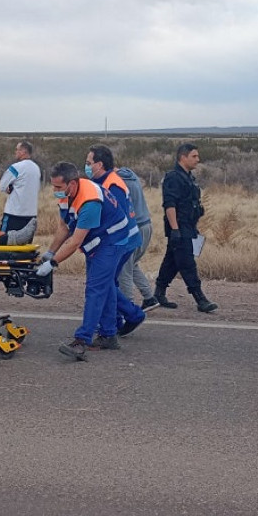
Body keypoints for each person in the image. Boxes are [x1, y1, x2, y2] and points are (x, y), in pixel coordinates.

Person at [35, 162, 141, 360]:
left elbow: (75, 241)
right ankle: (110, 334)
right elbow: (64, 228)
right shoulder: (68, 195)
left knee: (95, 289)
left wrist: (53, 263)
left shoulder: (90, 201)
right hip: (99, 240)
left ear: (72, 184)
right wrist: (50, 252)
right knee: (105, 285)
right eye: (53, 186)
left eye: (58, 187)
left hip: (113, 241)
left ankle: (82, 340)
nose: (55, 191)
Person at [85, 144, 149, 336]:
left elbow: (118, 219)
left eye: (89, 163)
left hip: (122, 241)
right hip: (119, 240)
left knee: (105, 282)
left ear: (100, 164)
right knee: (108, 282)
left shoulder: (113, 184)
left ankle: (128, 315)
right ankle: (119, 319)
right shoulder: (105, 181)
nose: (86, 166)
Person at [154, 143, 218, 313]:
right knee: (187, 263)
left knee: (172, 261)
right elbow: (170, 205)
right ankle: (200, 298)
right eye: (194, 156)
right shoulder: (174, 177)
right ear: (183, 157)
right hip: (179, 227)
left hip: (188, 227)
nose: (198, 160)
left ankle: (158, 293)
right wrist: (175, 229)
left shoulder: (188, 177)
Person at [115, 165, 159, 313]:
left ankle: (128, 308)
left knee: (124, 271)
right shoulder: (132, 176)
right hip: (146, 225)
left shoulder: (118, 181)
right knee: (132, 264)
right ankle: (149, 297)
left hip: (133, 229)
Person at [0, 141, 41, 235]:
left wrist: (9, 188)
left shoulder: (16, 167)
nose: (15, 152)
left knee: (5, 242)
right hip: (31, 214)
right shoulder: (36, 168)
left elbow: (2, 186)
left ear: (23, 151)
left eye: (17, 150)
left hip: (14, 213)